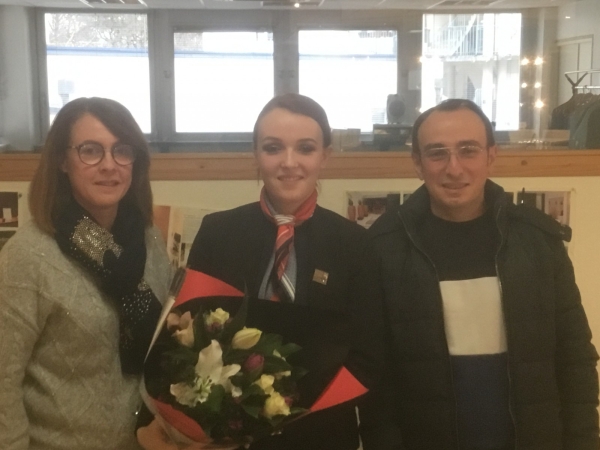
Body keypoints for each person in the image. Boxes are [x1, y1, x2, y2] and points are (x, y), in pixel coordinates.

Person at [137, 93, 384, 450]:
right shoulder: (218, 232)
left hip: (320, 436)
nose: (289, 163)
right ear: (255, 154)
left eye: (305, 148)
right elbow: (187, 337)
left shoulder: (355, 245)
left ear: (324, 156)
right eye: (272, 148)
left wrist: (289, 411)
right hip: (224, 438)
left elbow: (367, 357)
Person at [360, 98, 600, 450]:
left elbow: (575, 358)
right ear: (417, 163)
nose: (454, 169)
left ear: (491, 155)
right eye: (437, 153)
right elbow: (376, 383)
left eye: (468, 151)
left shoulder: (538, 242)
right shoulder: (382, 250)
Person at [0, 97, 172, 450]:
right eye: (91, 150)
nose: (109, 165)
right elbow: (3, 384)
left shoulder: (148, 240)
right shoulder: (27, 256)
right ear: (62, 160)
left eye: (122, 150)